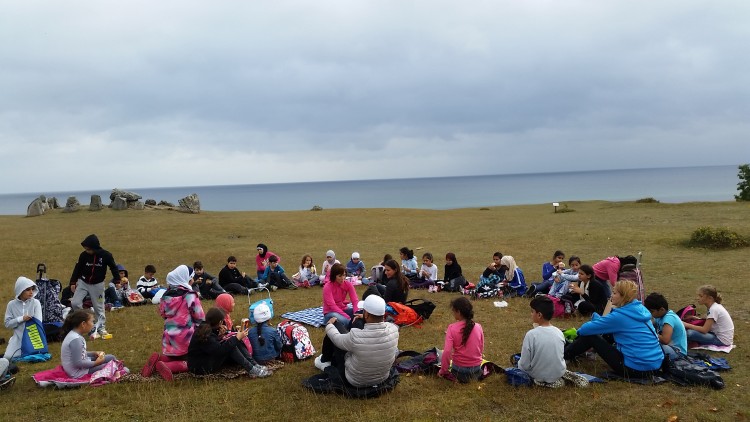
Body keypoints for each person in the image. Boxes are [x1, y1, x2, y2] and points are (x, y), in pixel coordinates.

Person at [564, 280, 663, 377]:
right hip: (655, 365)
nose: (611, 295)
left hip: (636, 369)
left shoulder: (620, 316)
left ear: (623, 296)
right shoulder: (640, 310)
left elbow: (585, 329)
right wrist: (600, 321)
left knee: (590, 337)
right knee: (606, 333)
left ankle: (562, 356)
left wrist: (579, 331)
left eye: (614, 293)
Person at [315, 295, 399, 388]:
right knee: (357, 325)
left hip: (355, 380)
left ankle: (324, 360)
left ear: (366, 314)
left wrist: (330, 325)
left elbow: (336, 338)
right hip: (382, 378)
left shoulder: (356, 336)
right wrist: (364, 317)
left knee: (336, 327)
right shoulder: (394, 329)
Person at [142, 265, 205, 381]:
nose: (192, 280)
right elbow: (200, 318)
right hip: (187, 340)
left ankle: (160, 360)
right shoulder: (189, 295)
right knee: (194, 362)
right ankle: (168, 367)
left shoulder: (166, 296)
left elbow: (163, 315)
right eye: (191, 278)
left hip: (169, 340)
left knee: (175, 357)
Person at [187, 308, 270, 377]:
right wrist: (237, 338)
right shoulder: (206, 333)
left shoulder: (205, 328)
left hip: (204, 360)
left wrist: (219, 333)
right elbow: (219, 350)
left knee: (233, 341)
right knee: (232, 345)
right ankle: (251, 369)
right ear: (219, 322)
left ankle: (254, 364)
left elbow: (212, 346)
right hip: (200, 367)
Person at [69, 234, 119, 339]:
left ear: (94, 247)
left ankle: (101, 328)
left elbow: (113, 267)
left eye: (89, 249)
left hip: (98, 285)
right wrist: (73, 282)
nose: (87, 251)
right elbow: (77, 268)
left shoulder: (106, 255)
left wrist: (117, 280)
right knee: (75, 303)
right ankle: (86, 324)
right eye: (85, 249)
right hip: (83, 282)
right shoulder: (83, 255)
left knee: (99, 307)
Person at [518, 296, 566, 387]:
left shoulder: (531, 334)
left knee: (518, 361)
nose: (531, 314)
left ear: (539, 315)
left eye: (532, 311)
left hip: (537, 375)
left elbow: (524, 364)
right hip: (558, 373)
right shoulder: (559, 332)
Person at [60, 309, 120, 378]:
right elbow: (78, 363)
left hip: (81, 367)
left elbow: (79, 354)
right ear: (83, 324)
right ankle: (118, 371)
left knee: (111, 357)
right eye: (92, 321)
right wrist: (96, 363)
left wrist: (93, 353)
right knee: (109, 366)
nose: (93, 324)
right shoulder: (76, 339)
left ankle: (118, 369)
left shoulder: (74, 335)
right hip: (78, 373)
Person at [438, 297, 484, 383]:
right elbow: (481, 347)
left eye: (453, 311)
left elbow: (447, 352)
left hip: (459, 371)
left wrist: (443, 371)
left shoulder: (451, 328)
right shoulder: (478, 327)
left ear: (458, 312)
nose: (453, 313)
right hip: (476, 369)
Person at [4, 277, 43, 360]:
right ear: (20, 291)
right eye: (28, 290)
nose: (31, 292)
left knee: (33, 356)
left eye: (32, 289)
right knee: (8, 357)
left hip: (33, 337)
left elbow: (38, 322)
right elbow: (7, 324)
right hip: (17, 337)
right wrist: (21, 319)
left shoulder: (36, 303)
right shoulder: (11, 304)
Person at [643, 293, 688, 359]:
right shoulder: (660, 316)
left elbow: (665, 340)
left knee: (652, 348)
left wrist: (650, 332)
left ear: (661, 309)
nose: (650, 314)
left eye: (652, 311)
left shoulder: (669, 318)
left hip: (678, 352)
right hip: (669, 347)